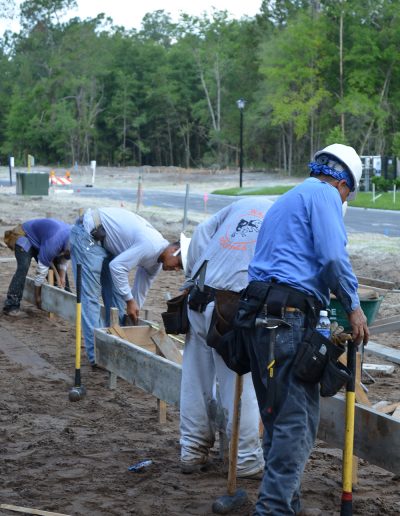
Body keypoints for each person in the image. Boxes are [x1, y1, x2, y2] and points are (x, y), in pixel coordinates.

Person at [235, 144, 369, 515]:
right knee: (296, 424)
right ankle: (273, 510)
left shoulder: (287, 198)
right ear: (344, 185)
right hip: (288, 318)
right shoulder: (325, 194)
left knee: (277, 420)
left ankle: (285, 507)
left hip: (261, 319)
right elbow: (331, 257)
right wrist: (353, 307)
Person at [179, 197, 273, 479]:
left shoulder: (244, 204)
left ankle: (192, 451)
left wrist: (189, 280)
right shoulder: (288, 217)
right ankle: (244, 461)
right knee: (240, 383)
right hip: (232, 306)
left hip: (199, 296)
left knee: (194, 380)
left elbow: (201, 233)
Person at [70, 207, 182, 367]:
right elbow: (117, 267)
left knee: (117, 299)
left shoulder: (155, 263)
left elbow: (140, 291)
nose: (176, 269)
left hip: (106, 241)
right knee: (90, 296)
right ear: (174, 250)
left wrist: (133, 308)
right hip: (88, 234)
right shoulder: (151, 245)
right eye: (179, 264)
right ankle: (97, 355)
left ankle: (116, 345)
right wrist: (129, 300)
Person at [3, 218, 71, 316]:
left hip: (43, 241)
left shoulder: (74, 239)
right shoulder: (54, 243)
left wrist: (62, 276)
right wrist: (37, 297)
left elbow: (65, 258)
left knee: (61, 280)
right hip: (25, 236)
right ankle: (11, 306)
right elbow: (40, 273)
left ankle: (65, 303)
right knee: (23, 267)